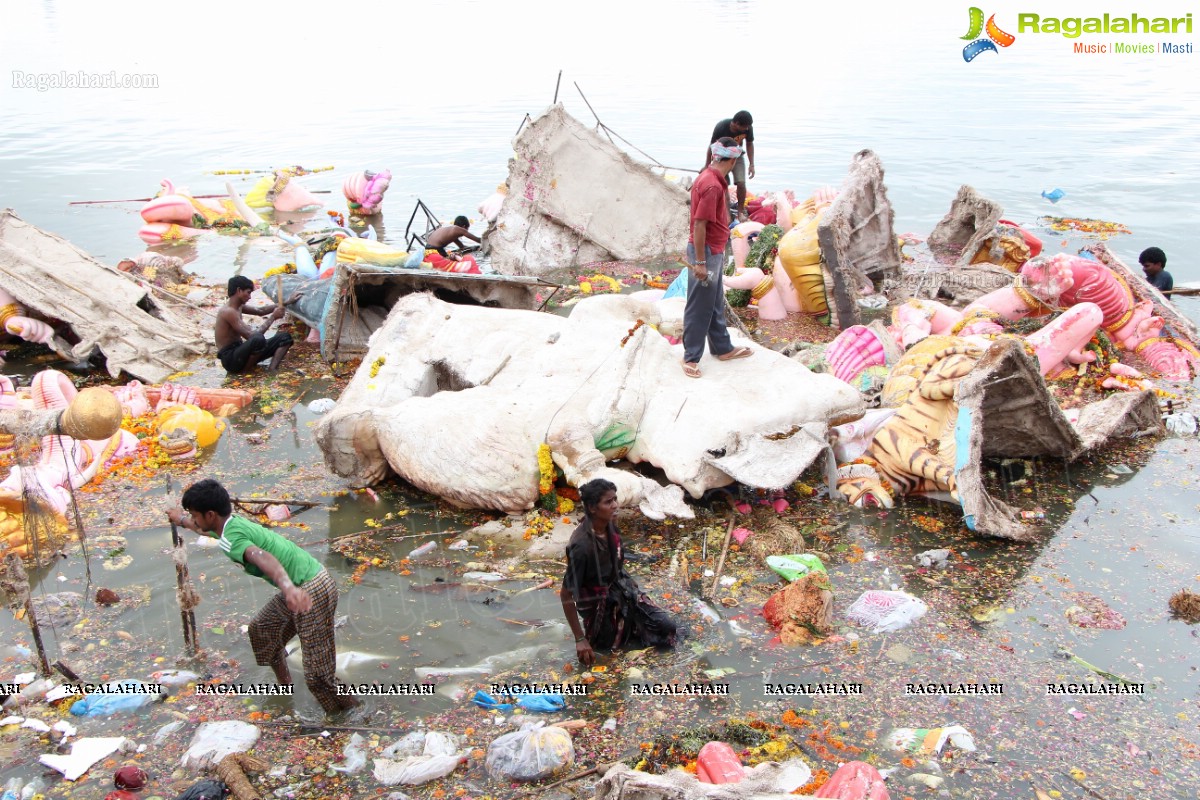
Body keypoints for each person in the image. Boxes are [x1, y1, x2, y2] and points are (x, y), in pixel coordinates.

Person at [168, 479, 360, 716]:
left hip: (310, 588)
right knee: (262, 631)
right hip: (306, 580)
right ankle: (285, 685)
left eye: (194, 515)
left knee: (318, 677)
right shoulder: (228, 525)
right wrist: (180, 519)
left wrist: (289, 589)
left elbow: (262, 557)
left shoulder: (232, 538)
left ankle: (349, 714)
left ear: (210, 515)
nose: (193, 519)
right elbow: (200, 528)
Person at [560, 478, 679, 666]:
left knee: (666, 627)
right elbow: (566, 594)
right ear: (592, 508)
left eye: (615, 499)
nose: (615, 505)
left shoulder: (609, 523)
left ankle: (630, 624)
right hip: (597, 601)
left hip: (620, 587)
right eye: (608, 502)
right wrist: (579, 639)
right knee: (605, 652)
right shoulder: (582, 547)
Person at [682, 137, 754, 379]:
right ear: (732, 160)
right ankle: (690, 356)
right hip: (707, 251)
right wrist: (700, 263)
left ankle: (722, 347)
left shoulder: (710, 177)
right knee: (699, 305)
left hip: (713, 248)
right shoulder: (712, 185)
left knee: (714, 301)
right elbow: (699, 225)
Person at [216, 276, 294, 374]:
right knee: (258, 339)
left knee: (285, 338)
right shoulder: (228, 311)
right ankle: (244, 372)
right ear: (239, 290)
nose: (250, 297)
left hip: (241, 353)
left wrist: (286, 302)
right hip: (231, 359)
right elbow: (252, 336)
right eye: (248, 293)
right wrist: (273, 317)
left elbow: (261, 311)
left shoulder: (239, 306)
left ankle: (272, 369)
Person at [706, 110, 755, 221]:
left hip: (737, 157)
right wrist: (707, 165)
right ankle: (726, 213)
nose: (747, 129)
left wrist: (752, 164)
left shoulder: (748, 128)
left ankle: (740, 211)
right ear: (736, 124)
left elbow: (749, 144)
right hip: (721, 159)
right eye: (745, 127)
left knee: (741, 183)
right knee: (723, 185)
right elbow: (711, 146)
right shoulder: (721, 127)